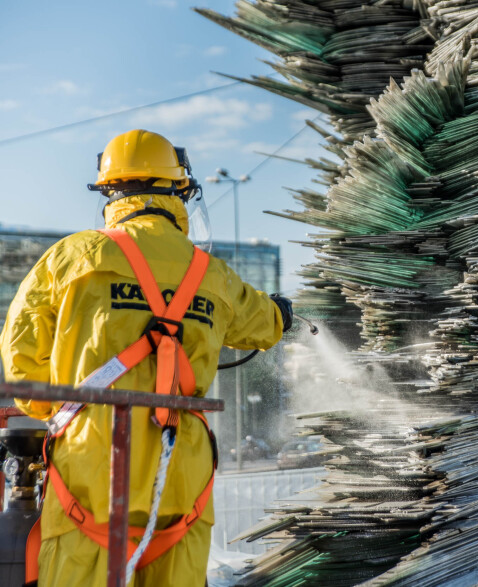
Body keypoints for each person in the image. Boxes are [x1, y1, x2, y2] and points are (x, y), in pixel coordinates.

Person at [0, 129, 295, 586]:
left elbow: (21, 358)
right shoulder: (212, 275)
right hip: (181, 480)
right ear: (179, 191)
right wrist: (281, 312)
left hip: (89, 475)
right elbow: (264, 325)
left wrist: (58, 412)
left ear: (110, 192)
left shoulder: (70, 258)